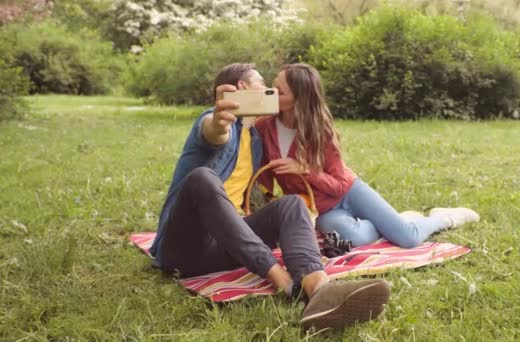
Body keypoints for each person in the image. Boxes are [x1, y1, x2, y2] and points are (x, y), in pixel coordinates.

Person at [148, 63, 390, 332]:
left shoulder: (255, 138)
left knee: (292, 203)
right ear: (242, 88)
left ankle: (319, 290)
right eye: (263, 84)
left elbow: (260, 188)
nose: (270, 91)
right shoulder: (213, 119)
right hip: (183, 250)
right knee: (202, 178)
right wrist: (218, 122)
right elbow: (214, 134)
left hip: (227, 245)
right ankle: (280, 278)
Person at [255, 63, 480, 249]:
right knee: (357, 240)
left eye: (279, 91)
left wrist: (306, 171)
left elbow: (340, 185)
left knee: (408, 239)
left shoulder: (320, 131)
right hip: (320, 210)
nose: (271, 94)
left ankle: (442, 218)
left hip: (349, 192)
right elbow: (264, 176)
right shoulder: (264, 127)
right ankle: (395, 221)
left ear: (299, 98)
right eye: (272, 87)